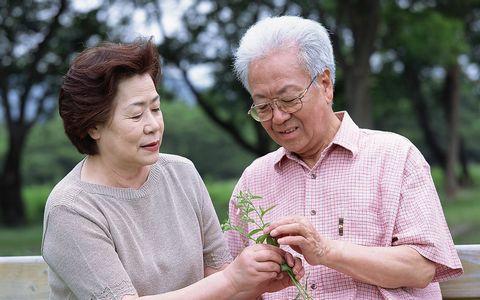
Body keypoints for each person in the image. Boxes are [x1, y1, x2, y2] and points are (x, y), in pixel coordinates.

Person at [41, 39, 304, 300]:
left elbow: (217, 275)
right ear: (92, 127)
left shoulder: (182, 173)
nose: (153, 124)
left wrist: (253, 284)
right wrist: (232, 280)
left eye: (155, 108)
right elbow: (224, 280)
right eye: (136, 115)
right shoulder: (71, 209)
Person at [226, 16, 463, 299]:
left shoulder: (395, 157)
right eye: (263, 106)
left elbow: (422, 267)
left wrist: (326, 251)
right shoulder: (254, 179)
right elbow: (233, 284)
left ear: (325, 84)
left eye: (289, 99)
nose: (278, 117)